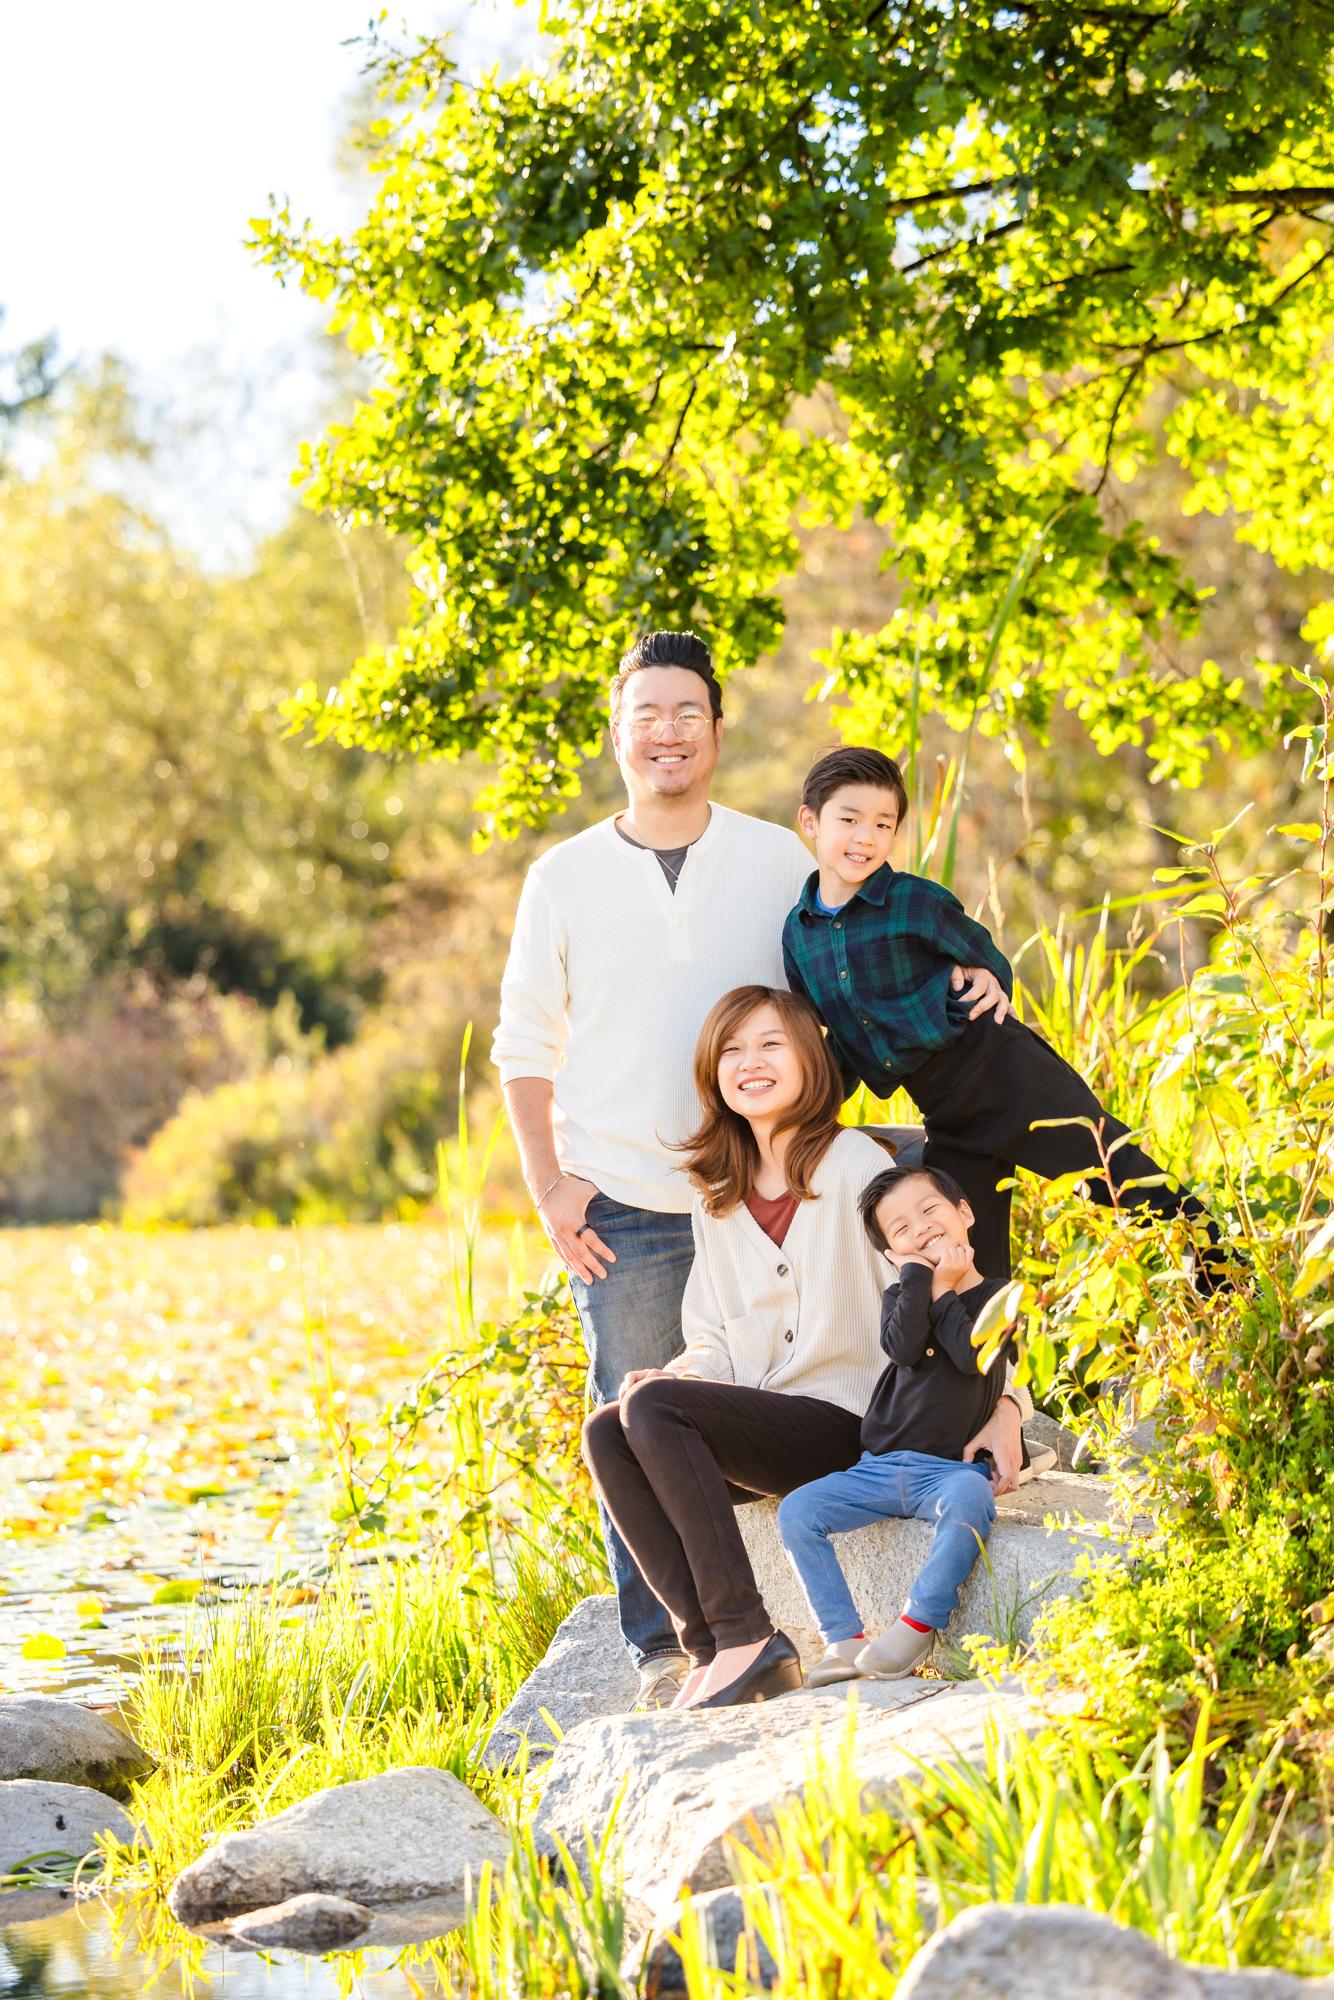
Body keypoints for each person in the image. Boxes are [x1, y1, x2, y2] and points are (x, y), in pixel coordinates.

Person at [492, 637, 1010, 1708]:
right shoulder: (565, 875)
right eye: (647, 712)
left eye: (688, 711)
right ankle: (671, 1646)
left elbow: (868, 924)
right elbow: (522, 1044)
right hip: (631, 1196)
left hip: (775, 1175)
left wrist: (965, 963)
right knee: (628, 1398)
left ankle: (738, 1632)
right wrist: (548, 1183)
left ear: (718, 731)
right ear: (616, 726)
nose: (667, 730)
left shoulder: (777, 858)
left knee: (661, 1411)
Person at [581, 985, 1032, 1710]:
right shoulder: (716, 1193)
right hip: (772, 1426)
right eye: (731, 1050)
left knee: (654, 1408)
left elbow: (964, 1291)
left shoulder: (856, 1165)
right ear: (711, 1072)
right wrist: (669, 1379)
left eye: (770, 1045)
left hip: (858, 1427)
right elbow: (717, 1337)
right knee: (611, 1427)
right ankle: (709, 1646)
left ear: (810, 1061)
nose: (749, 1062)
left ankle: (746, 1636)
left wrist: (1008, 1402)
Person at [781, 745, 1227, 1287]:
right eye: (848, 820)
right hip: (948, 1116)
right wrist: (808, 1112)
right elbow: (838, 1039)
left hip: (1011, 1079)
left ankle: (1233, 1286)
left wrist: (988, 976)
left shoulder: (915, 902)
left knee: (1124, 1181)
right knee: (966, 1258)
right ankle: (997, 1371)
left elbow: (986, 959)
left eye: (883, 824)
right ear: (810, 822)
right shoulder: (799, 937)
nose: (865, 837)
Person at [778, 1164, 1019, 1686]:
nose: (921, 1228)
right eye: (901, 1229)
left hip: (950, 1471)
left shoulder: (1001, 1298)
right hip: (879, 1467)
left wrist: (947, 1291)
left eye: (930, 1210)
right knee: (799, 1511)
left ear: (965, 1213)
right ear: (892, 1253)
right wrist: (920, 1280)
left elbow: (969, 1355)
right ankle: (843, 1640)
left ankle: (918, 1622)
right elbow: (904, 1345)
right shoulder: (901, 1295)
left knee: (972, 1503)